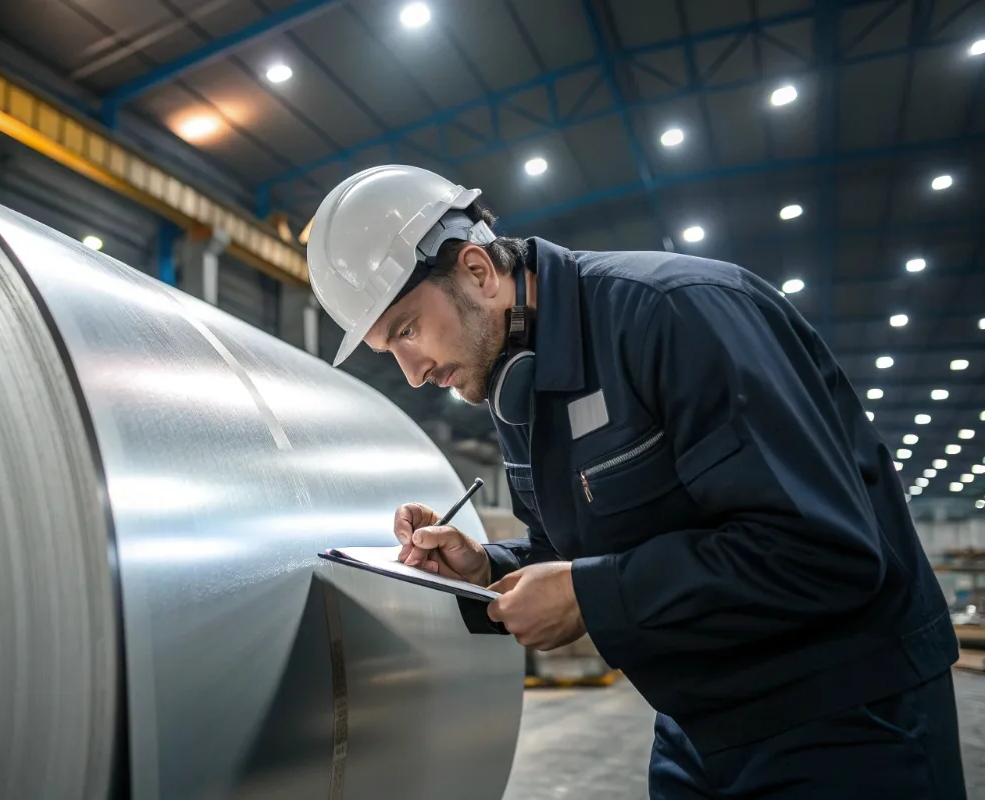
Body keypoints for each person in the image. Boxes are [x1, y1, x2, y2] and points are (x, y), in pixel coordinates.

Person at [304, 165, 967, 798]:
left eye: (408, 331)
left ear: (476, 271)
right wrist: (484, 566)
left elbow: (824, 550)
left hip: (842, 716)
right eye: (390, 351)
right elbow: (569, 548)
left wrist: (592, 597)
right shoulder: (515, 385)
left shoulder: (676, 316)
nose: (413, 371)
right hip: (698, 725)